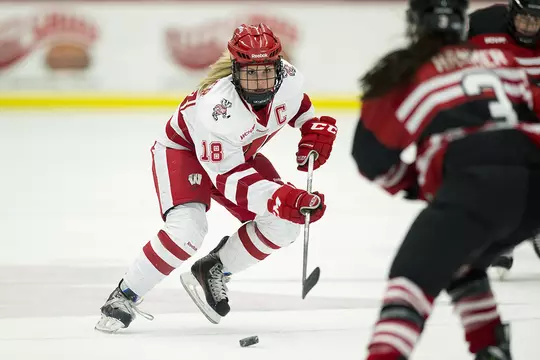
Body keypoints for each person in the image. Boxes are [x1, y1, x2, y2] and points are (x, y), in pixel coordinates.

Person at [95, 23, 337, 332]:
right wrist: (280, 197)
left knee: (286, 224)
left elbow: (297, 102)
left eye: (266, 71)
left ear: (279, 66)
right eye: (251, 73)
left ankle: (215, 268)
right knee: (188, 229)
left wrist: (311, 128)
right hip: (184, 153)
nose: (260, 82)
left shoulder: (288, 78)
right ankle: (124, 295)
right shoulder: (217, 110)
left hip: (234, 156)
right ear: (235, 71)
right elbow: (230, 180)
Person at [352, 0, 540, 359]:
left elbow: (371, 158)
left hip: (475, 185)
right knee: (460, 260)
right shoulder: (503, 59)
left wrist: (416, 185)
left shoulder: (404, 72)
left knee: (410, 281)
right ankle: (490, 348)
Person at [468, 0, 540, 276]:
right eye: (524, 19)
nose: (529, 27)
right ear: (511, 13)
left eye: (536, 21)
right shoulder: (482, 25)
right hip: (497, 109)